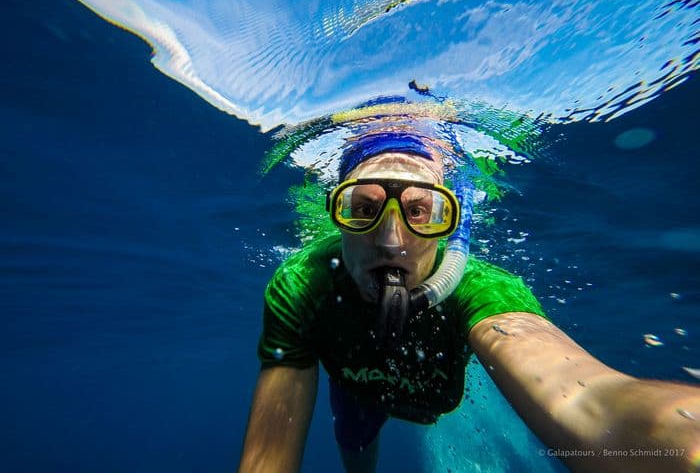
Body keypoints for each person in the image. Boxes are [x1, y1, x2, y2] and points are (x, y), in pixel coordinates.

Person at [238, 129, 699, 473]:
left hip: (426, 394)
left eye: (419, 211)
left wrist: (676, 435)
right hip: (357, 395)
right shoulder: (302, 283)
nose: (391, 239)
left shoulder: (484, 288)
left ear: (449, 220)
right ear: (337, 215)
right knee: (355, 439)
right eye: (363, 209)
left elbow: (590, 403)